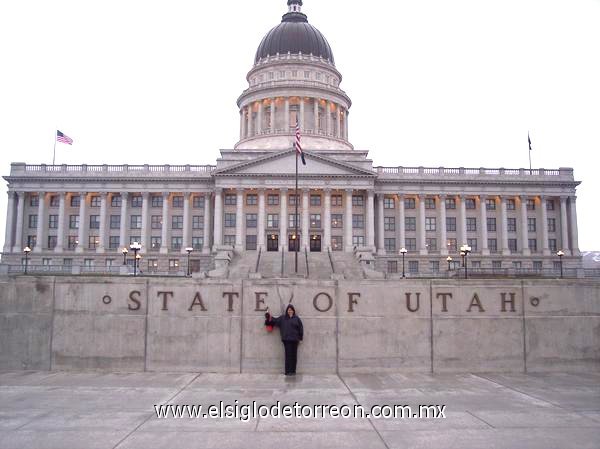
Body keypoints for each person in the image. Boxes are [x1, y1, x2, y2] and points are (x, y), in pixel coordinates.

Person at [265, 304, 303, 376]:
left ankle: (293, 371)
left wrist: (300, 338)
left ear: (293, 311)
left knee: (294, 356)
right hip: (287, 340)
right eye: (289, 310)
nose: (290, 311)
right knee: (288, 355)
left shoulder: (297, 319)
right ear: (287, 311)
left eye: (291, 310)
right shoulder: (282, 318)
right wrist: (268, 317)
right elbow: (274, 321)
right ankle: (287, 371)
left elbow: (301, 329)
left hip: (295, 340)